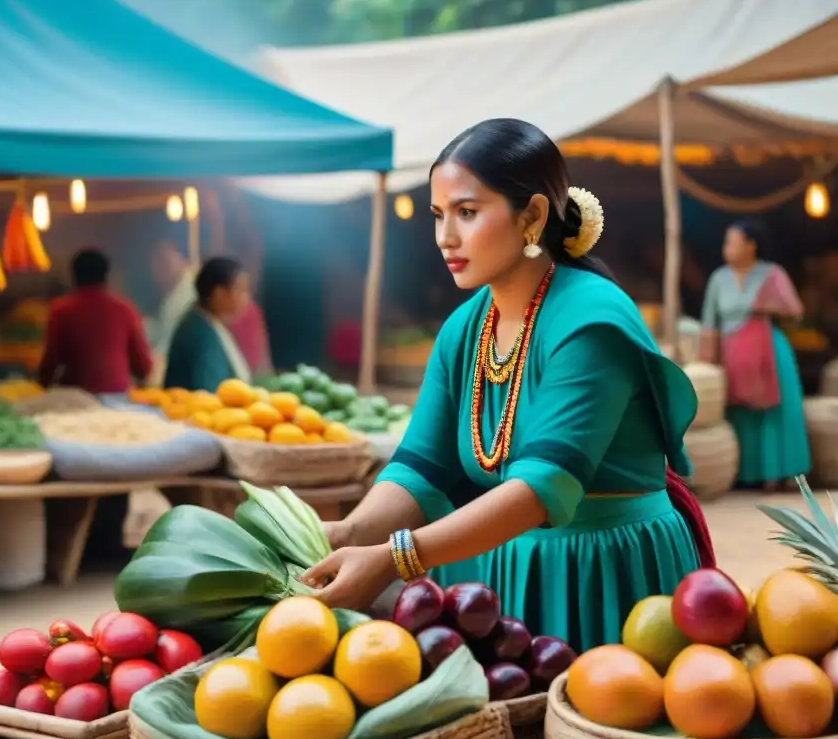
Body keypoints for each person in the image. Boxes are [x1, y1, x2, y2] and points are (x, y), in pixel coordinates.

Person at [301, 119, 715, 653]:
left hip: (605, 573)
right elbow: (420, 467)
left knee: (598, 722)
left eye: (467, 213)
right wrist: (350, 534)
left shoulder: (592, 320)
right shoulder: (465, 328)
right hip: (504, 568)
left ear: (534, 215)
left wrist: (394, 556)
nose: (445, 237)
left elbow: (537, 491)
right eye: (438, 215)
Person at [699, 221, 810, 489]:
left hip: (770, 352)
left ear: (751, 246)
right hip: (732, 353)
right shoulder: (718, 278)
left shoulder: (772, 273)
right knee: (740, 414)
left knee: (773, 413)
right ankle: (746, 476)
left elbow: (795, 311)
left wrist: (765, 307)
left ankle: (780, 475)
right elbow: (709, 323)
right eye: (726, 242)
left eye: (733, 242)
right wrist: (708, 363)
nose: (727, 248)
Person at [39, 248, 153, 394]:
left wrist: (41, 388)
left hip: (76, 398)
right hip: (118, 397)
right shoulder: (125, 309)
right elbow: (143, 367)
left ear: (73, 276)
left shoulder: (61, 311)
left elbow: (49, 365)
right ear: (106, 275)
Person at [164, 256, 252, 392]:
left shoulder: (205, 322)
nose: (246, 298)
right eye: (240, 291)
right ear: (219, 294)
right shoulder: (200, 334)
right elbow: (210, 391)